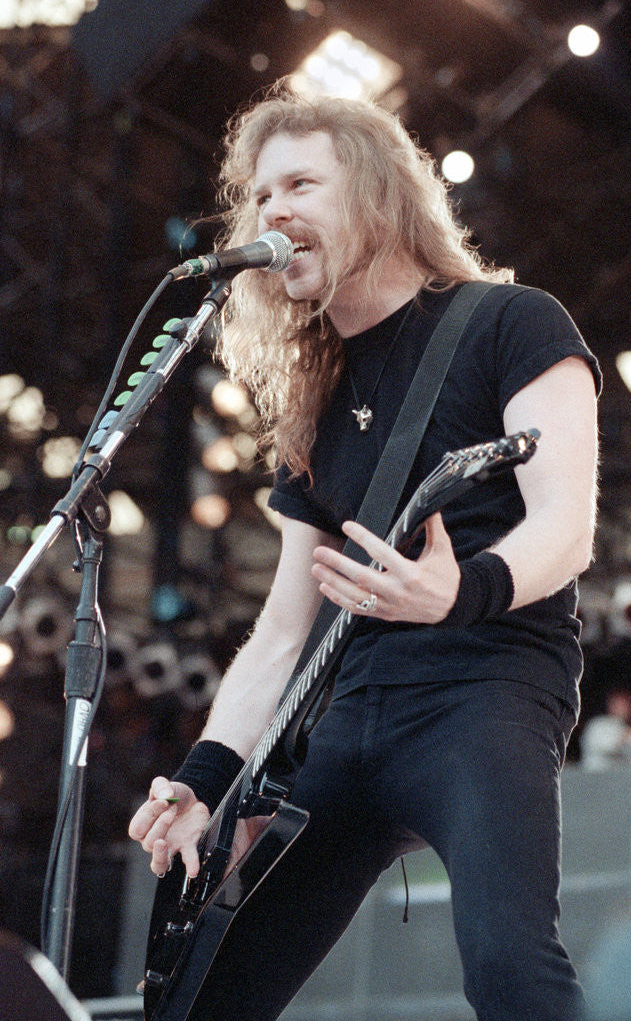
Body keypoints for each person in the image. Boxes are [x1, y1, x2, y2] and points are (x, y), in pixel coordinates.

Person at [129, 87, 601, 1021]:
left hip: (485, 686)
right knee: (202, 993)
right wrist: (206, 779)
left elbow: (567, 525)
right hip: (346, 715)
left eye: (300, 182)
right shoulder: (315, 395)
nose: (271, 212)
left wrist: (462, 591)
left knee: (509, 968)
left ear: (381, 196)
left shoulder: (513, 323)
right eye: (261, 195)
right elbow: (282, 628)